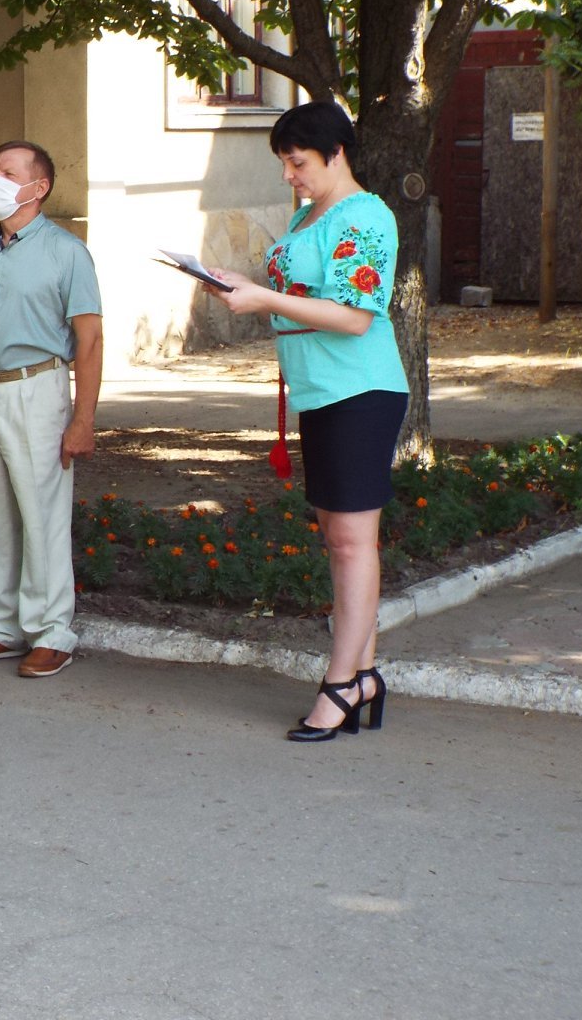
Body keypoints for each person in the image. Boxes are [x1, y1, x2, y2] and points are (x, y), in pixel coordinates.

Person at [205, 101, 408, 742]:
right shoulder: (307, 214)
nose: (289, 175)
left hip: (359, 391)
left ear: (336, 153)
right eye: (285, 164)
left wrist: (260, 297)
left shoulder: (366, 216)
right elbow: (297, 295)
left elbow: (353, 316)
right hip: (320, 393)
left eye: (298, 163)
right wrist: (238, 283)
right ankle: (366, 674)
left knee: (352, 542)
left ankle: (341, 685)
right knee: (342, 542)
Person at [0, 140, 103, 678]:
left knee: (42, 513)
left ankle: (52, 631)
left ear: (39, 188)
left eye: (8, 173)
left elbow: (89, 339)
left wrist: (83, 419)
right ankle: (1, 627)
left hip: (37, 389)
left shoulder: (67, 252)